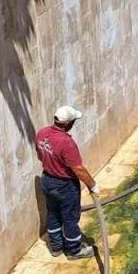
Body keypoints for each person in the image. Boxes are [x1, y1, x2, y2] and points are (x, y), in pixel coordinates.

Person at [35, 105, 100, 259]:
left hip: (47, 180)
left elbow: (40, 155)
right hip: (64, 185)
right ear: (68, 124)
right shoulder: (66, 142)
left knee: (53, 213)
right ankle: (74, 250)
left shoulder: (42, 133)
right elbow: (78, 169)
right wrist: (92, 185)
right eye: (73, 121)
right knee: (70, 218)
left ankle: (56, 246)